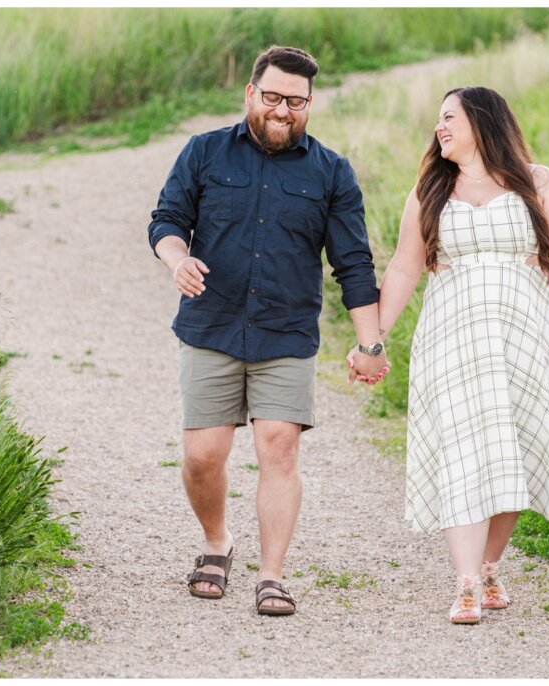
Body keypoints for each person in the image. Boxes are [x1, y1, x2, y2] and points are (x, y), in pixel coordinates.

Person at [148, 45, 389, 616]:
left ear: (310, 104)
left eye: (297, 102)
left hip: (285, 330)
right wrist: (176, 258)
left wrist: (370, 341)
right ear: (251, 94)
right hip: (211, 325)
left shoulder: (332, 172)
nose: (284, 111)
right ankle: (217, 543)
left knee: (278, 449)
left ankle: (272, 575)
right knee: (204, 454)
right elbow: (166, 220)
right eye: (274, 98)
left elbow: (353, 264)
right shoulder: (204, 152)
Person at [351, 86, 549, 624]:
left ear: (483, 121)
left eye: (450, 117)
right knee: (463, 451)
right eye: (438, 120)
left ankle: (489, 566)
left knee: (513, 450)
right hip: (452, 339)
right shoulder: (431, 189)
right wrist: (373, 340)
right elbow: (403, 267)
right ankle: (466, 582)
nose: (440, 127)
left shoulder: (539, 183)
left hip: (528, 337)